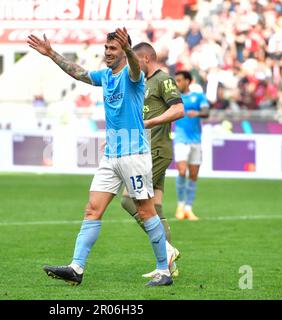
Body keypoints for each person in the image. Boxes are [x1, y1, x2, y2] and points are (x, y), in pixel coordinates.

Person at [28, 28, 173, 286]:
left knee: (145, 210)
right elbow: (80, 73)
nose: (108, 53)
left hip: (134, 154)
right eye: (106, 49)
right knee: (92, 209)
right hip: (111, 156)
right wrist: (51, 54)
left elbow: (136, 67)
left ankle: (164, 270)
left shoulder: (133, 76)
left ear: (124, 52)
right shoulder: (105, 76)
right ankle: (76, 267)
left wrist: (128, 48)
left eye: (113, 49)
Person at [120, 42, 184, 279]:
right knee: (154, 207)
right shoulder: (143, 83)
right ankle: (169, 266)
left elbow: (178, 110)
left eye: (134, 61)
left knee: (128, 199)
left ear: (146, 58)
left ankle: (167, 251)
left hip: (156, 150)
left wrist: (151, 122)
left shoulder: (163, 80)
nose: (131, 67)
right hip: (146, 149)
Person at [173, 70, 209, 221]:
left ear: (188, 81)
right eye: (176, 81)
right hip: (181, 139)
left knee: (193, 175)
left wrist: (198, 114)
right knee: (182, 171)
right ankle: (180, 205)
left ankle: (188, 208)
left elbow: (206, 112)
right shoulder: (175, 98)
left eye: (180, 80)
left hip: (196, 140)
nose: (177, 83)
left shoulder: (198, 96)